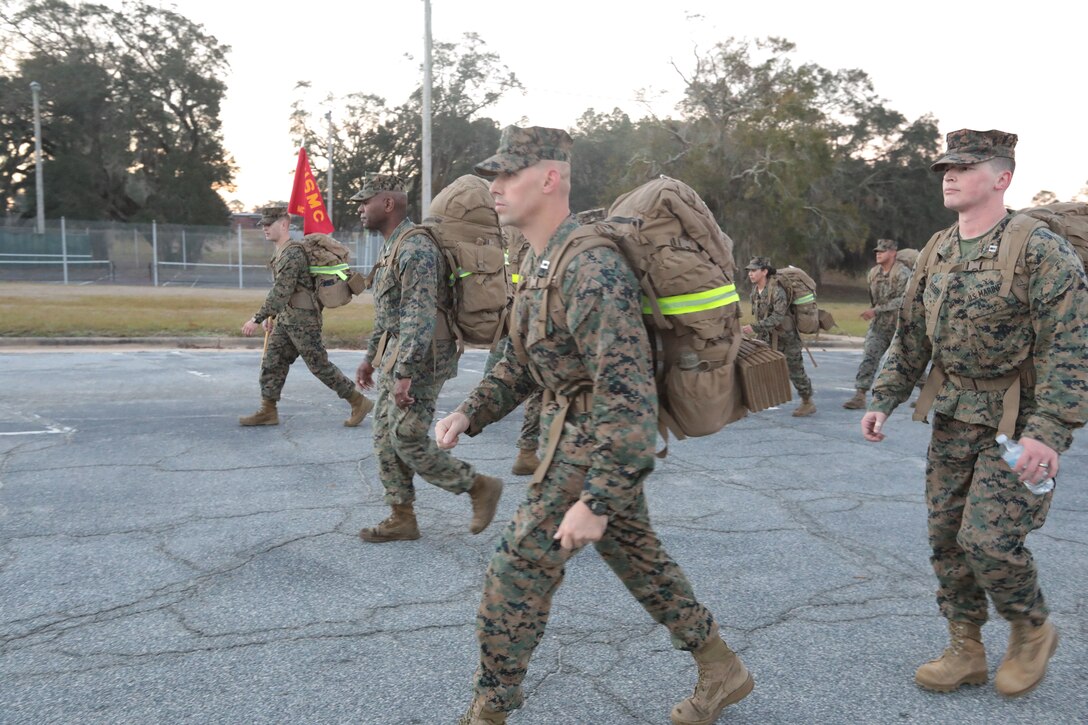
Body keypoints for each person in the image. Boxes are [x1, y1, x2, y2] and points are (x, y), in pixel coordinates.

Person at [435, 126, 753, 725]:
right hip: (572, 431)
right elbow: (523, 360)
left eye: (508, 175)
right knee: (639, 559)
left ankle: (490, 708)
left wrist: (599, 497)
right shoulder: (537, 257)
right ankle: (722, 668)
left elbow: (627, 396)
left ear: (549, 178)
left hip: (593, 440)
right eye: (494, 175)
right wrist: (469, 412)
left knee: (518, 567)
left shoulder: (591, 268)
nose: (494, 187)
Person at [862, 129, 1088, 697]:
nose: (950, 175)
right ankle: (965, 647)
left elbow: (1070, 346)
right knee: (945, 537)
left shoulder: (1039, 248)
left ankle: (1031, 629)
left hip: (1019, 420)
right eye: (945, 167)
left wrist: (1049, 434)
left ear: (1002, 178)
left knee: (988, 539)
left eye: (964, 167)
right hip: (955, 412)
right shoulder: (937, 248)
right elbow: (911, 334)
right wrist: (884, 399)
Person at [352, 173, 502, 543]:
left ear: (387, 204)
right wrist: (370, 357)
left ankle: (478, 486)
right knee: (385, 436)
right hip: (397, 355)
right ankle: (401, 516)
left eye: (365, 201)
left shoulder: (416, 248)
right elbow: (389, 314)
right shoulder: (392, 246)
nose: (359, 208)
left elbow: (419, 317)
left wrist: (405, 373)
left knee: (406, 437)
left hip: (422, 358)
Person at [239, 206, 372, 427]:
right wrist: (274, 315)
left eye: (268, 224)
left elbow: (281, 290)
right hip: (287, 318)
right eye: (262, 224)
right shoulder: (281, 251)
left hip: (303, 320)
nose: (264, 228)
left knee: (319, 365)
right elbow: (284, 292)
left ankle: (358, 401)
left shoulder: (292, 254)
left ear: (283, 225)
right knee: (272, 360)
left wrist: (257, 318)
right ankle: (268, 410)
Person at [484, 224, 542, 476]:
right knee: (538, 379)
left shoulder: (501, 230)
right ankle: (528, 450)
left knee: (505, 356)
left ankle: (485, 402)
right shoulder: (540, 233)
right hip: (530, 308)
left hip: (508, 303)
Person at [842, 238, 912, 410]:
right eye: (877, 251)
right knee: (869, 357)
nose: (878, 254)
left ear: (893, 253)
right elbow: (874, 299)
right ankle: (860, 395)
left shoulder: (902, 273)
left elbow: (903, 299)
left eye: (883, 251)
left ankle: (927, 393)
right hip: (879, 326)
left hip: (900, 325)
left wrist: (876, 310)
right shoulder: (873, 273)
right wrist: (874, 311)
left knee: (908, 362)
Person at [741, 257, 816, 416]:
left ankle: (807, 401)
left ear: (764, 271)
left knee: (795, 371)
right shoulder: (755, 290)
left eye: (754, 270)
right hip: (766, 335)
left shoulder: (776, 290)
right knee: (755, 362)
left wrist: (753, 327)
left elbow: (778, 317)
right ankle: (751, 399)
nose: (750, 274)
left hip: (786, 337)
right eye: (749, 271)